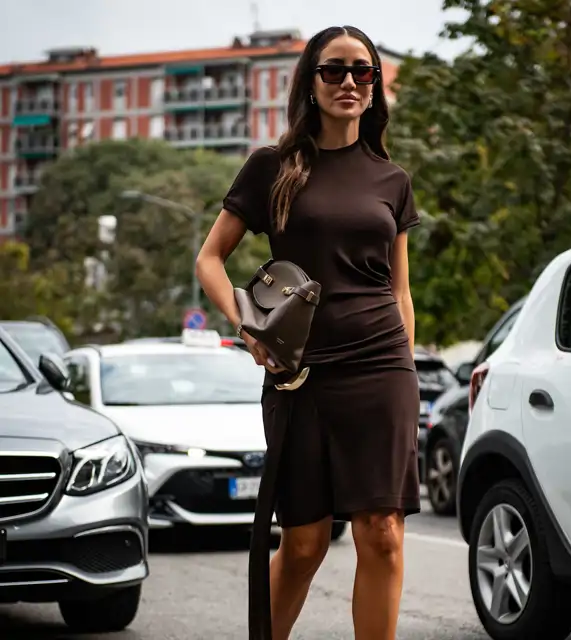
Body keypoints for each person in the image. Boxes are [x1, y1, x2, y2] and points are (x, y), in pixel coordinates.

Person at [196, 24, 421, 640]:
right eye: (334, 70)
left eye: (362, 71)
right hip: (301, 374)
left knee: (383, 535)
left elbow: (400, 289)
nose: (349, 81)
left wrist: (408, 368)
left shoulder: (392, 180)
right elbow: (209, 259)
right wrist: (250, 327)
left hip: (382, 367)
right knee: (303, 546)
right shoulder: (273, 167)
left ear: (374, 87)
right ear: (311, 82)